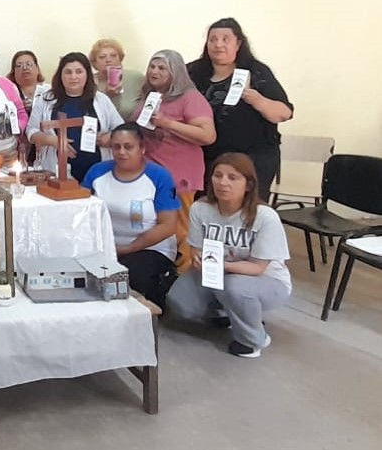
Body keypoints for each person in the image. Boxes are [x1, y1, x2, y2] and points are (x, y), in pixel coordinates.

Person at [167, 152, 291, 358]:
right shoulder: (200, 208)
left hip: (266, 280)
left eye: (233, 177)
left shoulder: (265, 216)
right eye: (218, 175)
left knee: (234, 287)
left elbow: (258, 267)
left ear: (248, 185)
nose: (223, 182)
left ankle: (253, 340)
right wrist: (198, 258)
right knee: (179, 301)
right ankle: (230, 313)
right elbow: (196, 248)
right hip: (217, 272)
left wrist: (221, 266)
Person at [187, 18, 293, 201]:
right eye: (213, 39)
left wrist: (259, 101)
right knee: (206, 207)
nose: (218, 44)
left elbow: (284, 112)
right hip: (206, 157)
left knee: (244, 209)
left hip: (251, 158)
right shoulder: (192, 71)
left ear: (238, 44)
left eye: (225, 39)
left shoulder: (257, 72)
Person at [82, 124, 180, 307]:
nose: (121, 152)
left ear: (142, 148)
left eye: (128, 147)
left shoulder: (159, 176)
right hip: (105, 246)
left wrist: (127, 249)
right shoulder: (97, 171)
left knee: (125, 276)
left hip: (149, 248)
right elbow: (82, 211)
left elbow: (168, 226)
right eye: (116, 147)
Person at [136, 50, 216, 273]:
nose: (154, 72)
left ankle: (183, 276)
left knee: (179, 229)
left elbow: (208, 135)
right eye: (152, 66)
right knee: (153, 226)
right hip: (149, 174)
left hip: (178, 174)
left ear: (176, 72)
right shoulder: (150, 96)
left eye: (162, 68)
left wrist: (168, 123)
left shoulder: (190, 98)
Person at [26, 52, 125, 182]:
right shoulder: (45, 100)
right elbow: (31, 131)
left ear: (87, 74)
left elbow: (122, 130)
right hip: (55, 170)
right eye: (68, 72)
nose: (73, 77)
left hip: (96, 171)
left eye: (79, 72)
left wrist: (110, 137)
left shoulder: (101, 100)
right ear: (60, 75)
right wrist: (52, 140)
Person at [90, 38, 146, 120]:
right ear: (94, 63)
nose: (108, 60)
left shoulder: (136, 78)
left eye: (113, 56)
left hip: (131, 126)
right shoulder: (89, 82)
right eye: (102, 57)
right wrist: (107, 96)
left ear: (120, 59)